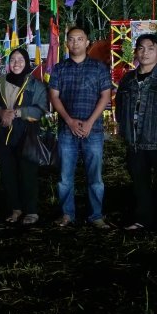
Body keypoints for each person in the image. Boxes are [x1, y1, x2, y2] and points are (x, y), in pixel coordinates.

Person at [115, 33, 157, 236]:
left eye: (150, 49)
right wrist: (125, 130)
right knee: (140, 185)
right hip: (134, 142)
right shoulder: (128, 79)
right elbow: (120, 107)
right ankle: (143, 221)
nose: (145, 53)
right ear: (136, 52)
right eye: (141, 48)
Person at [49, 26, 112, 229]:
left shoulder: (99, 68)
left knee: (95, 177)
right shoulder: (59, 68)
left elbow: (105, 96)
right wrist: (68, 120)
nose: (75, 43)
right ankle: (67, 214)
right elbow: (54, 97)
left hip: (93, 130)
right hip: (67, 131)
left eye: (79, 39)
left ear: (87, 42)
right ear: (66, 43)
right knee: (65, 177)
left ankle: (96, 215)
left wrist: (90, 122)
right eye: (71, 39)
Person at [0, 47, 49, 226]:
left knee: (27, 173)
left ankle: (31, 211)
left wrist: (17, 113)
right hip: (3, 133)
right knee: (8, 173)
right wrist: (1, 112)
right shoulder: (0, 82)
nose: (16, 63)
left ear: (27, 63)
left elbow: (41, 109)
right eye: (13, 60)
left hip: (27, 134)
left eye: (20, 60)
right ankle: (15, 209)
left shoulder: (35, 84)